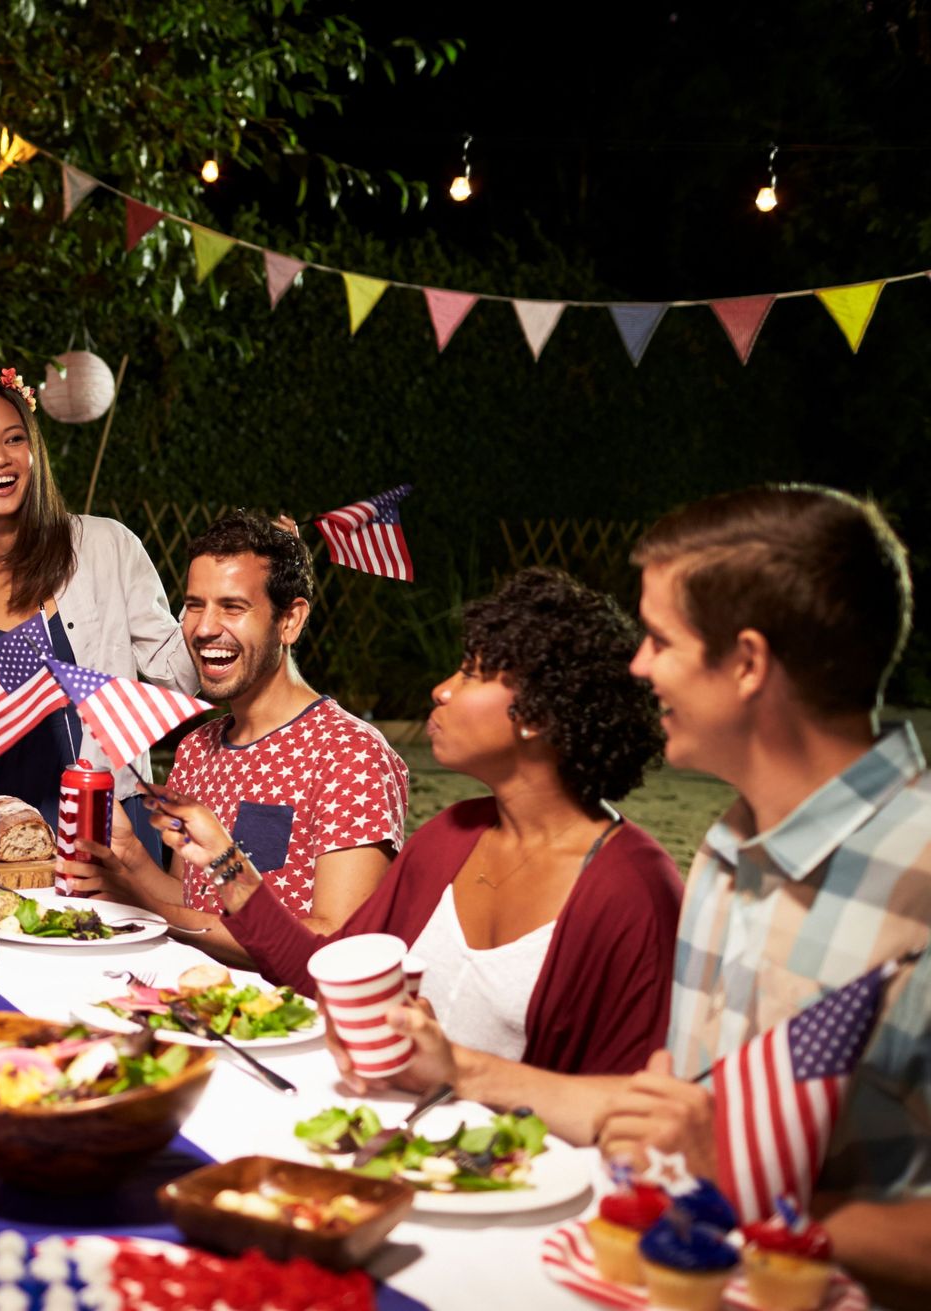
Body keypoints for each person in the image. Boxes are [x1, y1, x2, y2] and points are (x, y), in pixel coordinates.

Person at [329, 487, 930, 1302]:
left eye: (659, 639)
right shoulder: (730, 847)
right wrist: (464, 1068)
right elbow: (671, 1112)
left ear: (748, 663)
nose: (637, 666)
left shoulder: (917, 877)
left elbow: (717, 1155)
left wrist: (750, 1193)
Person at [178, 567, 679, 1073]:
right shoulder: (451, 837)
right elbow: (326, 974)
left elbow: (634, 1107)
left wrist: (461, 1079)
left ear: (539, 714)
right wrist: (225, 861)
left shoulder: (632, 887)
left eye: (471, 673)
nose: (442, 690)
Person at [65, 510, 409, 968]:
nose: (205, 628)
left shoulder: (349, 754)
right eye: (194, 605)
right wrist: (131, 860)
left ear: (290, 621)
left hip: (291, 1026)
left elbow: (338, 942)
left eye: (233, 607)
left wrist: (154, 912)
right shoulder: (197, 748)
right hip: (196, 1003)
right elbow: (194, 902)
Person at [0, 368, 195, 839]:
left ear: (33, 452)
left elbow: (177, 674)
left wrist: (216, 607)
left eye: (14, 439)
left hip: (110, 819)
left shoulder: (106, 546)